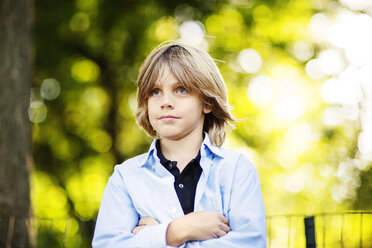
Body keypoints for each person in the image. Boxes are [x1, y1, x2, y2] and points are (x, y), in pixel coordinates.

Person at [92, 42, 267, 247]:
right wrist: (177, 231)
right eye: (155, 91)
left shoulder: (236, 170)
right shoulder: (125, 178)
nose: (165, 101)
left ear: (207, 102)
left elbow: (250, 244)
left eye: (181, 89)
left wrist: (153, 237)